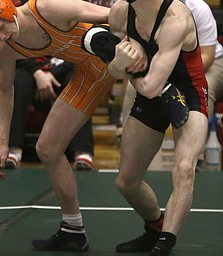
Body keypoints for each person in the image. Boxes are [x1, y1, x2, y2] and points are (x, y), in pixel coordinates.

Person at [0, 0, 146, 252]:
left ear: (7, 9)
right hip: (86, 72)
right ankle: (72, 230)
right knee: (48, 149)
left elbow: (117, 16)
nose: (2, 36)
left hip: (109, 55)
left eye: (1, 27)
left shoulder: (48, 7)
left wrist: (140, 44)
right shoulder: (6, 48)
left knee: (102, 40)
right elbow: (5, 90)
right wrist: (4, 143)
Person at [106, 0, 208, 255]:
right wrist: (119, 62)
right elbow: (111, 70)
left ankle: (164, 243)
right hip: (150, 93)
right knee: (126, 181)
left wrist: (125, 66)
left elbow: (150, 86)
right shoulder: (120, 12)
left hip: (187, 93)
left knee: (184, 168)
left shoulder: (176, 18)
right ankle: (155, 228)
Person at [7, 56, 95, 170]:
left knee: (80, 81)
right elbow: (18, 52)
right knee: (18, 80)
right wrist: (38, 74)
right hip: (32, 70)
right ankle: (13, 149)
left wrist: (51, 74)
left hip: (64, 70)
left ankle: (83, 150)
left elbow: (81, 55)